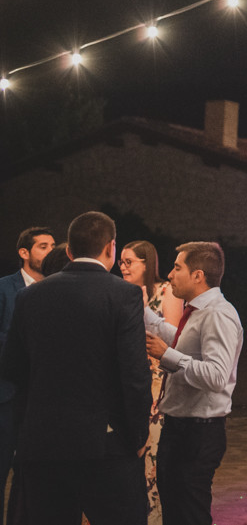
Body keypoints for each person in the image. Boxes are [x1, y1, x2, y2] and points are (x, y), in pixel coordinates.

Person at [0, 211, 150, 525]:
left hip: (43, 443)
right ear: (111, 248)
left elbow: (12, 367)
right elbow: (134, 373)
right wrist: (137, 436)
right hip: (104, 444)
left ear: (68, 252)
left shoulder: (29, 296)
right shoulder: (124, 294)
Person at [144, 241, 244, 525]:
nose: (170, 275)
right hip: (181, 428)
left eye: (177, 268)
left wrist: (167, 355)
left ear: (198, 275)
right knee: (176, 512)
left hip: (198, 434)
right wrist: (142, 313)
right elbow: (179, 339)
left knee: (189, 514)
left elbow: (216, 376)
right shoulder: (199, 311)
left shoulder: (218, 314)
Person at [121, 240, 183, 525]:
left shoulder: (165, 291)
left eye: (129, 261)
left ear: (146, 264)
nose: (122, 267)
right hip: (131, 380)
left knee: (153, 455)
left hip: (158, 383)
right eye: (120, 261)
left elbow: (173, 337)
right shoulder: (120, 293)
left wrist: (145, 309)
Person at [0, 225, 55, 522]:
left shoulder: (57, 289)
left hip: (41, 403)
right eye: (43, 246)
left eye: (52, 245)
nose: (50, 251)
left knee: (33, 479)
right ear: (24, 253)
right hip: (6, 399)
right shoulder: (3, 289)